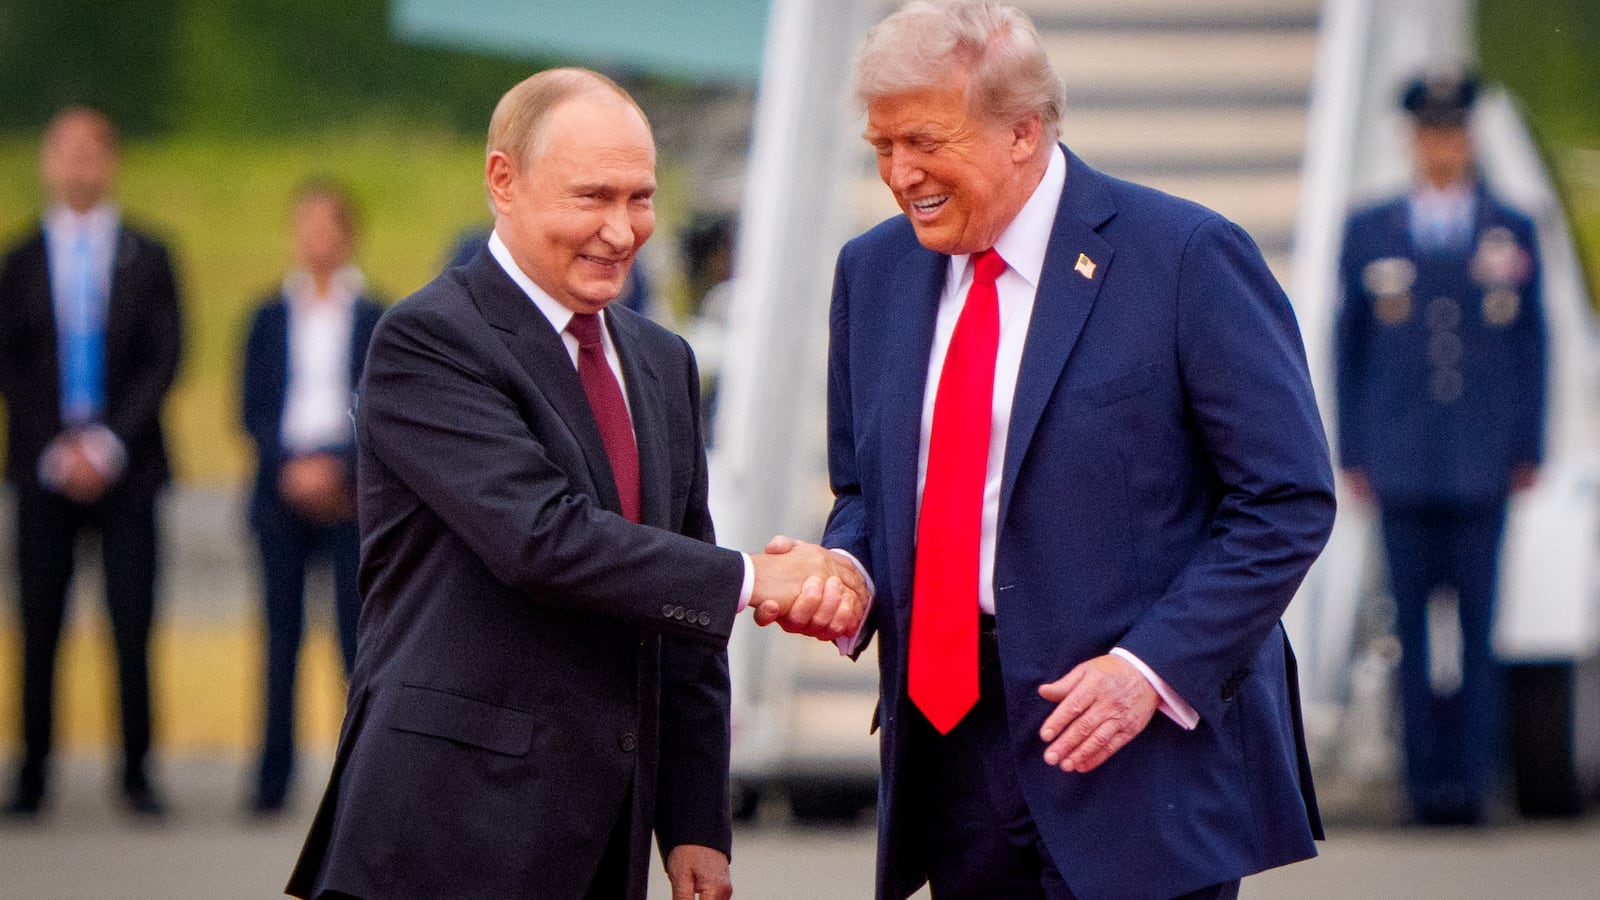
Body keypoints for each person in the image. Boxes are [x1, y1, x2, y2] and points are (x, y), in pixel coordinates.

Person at [285, 68, 864, 900]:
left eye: (641, 198)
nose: (622, 230)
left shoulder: (661, 361)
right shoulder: (427, 342)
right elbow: (542, 540)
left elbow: (676, 604)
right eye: (592, 197)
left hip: (602, 841)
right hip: (443, 835)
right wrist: (753, 578)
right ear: (503, 183)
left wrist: (695, 822)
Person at [811, 4, 1335, 898]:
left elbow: (1286, 501)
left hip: (1139, 749)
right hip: (953, 752)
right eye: (881, 146)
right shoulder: (875, 272)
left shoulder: (1184, 257)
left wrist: (1150, 669)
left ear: (1023, 131)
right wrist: (848, 572)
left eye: (924, 141)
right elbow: (865, 490)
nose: (901, 175)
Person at [1336, 72, 1546, 826]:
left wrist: (1529, 443)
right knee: (1413, 632)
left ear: (1469, 139)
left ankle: (1475, 783)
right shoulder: (1372, 228)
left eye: (1454, 133)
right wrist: (1354, 448)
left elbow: (1531, 345)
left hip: (1483, 460)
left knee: (1480, 629)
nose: (1442, 147)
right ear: (1411, 140)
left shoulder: (1509, 228)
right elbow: (1349, 346)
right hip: (1401, 459)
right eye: (1430, 133)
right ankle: (1424, 787)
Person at [0, 106, 183, 818]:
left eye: (91, 152)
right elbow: (10, 359)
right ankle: (33, 770)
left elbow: (166, 355)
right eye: (65, 152)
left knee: (132, 620)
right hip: (43, 465)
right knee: (37, 622)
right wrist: (56, 440)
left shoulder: (149, 253)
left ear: (111, 162)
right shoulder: (19, 258)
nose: (79, 165)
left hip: (128, 466)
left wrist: (108, 442)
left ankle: (137, 771)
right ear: (48, 161)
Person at [239, 180, 384, 816]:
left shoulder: (377, 316)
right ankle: (272, 779)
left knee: (358, 645)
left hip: (352, 498)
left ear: (347, 233)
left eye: (328, 225)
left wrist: (341, 470)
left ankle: (362, 780)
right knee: (278, 639)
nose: (316, 238)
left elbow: (381, 407)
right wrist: (290, 467)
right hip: (281, 492)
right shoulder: (267, 316)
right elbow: (252, 406)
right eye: (306, 225)